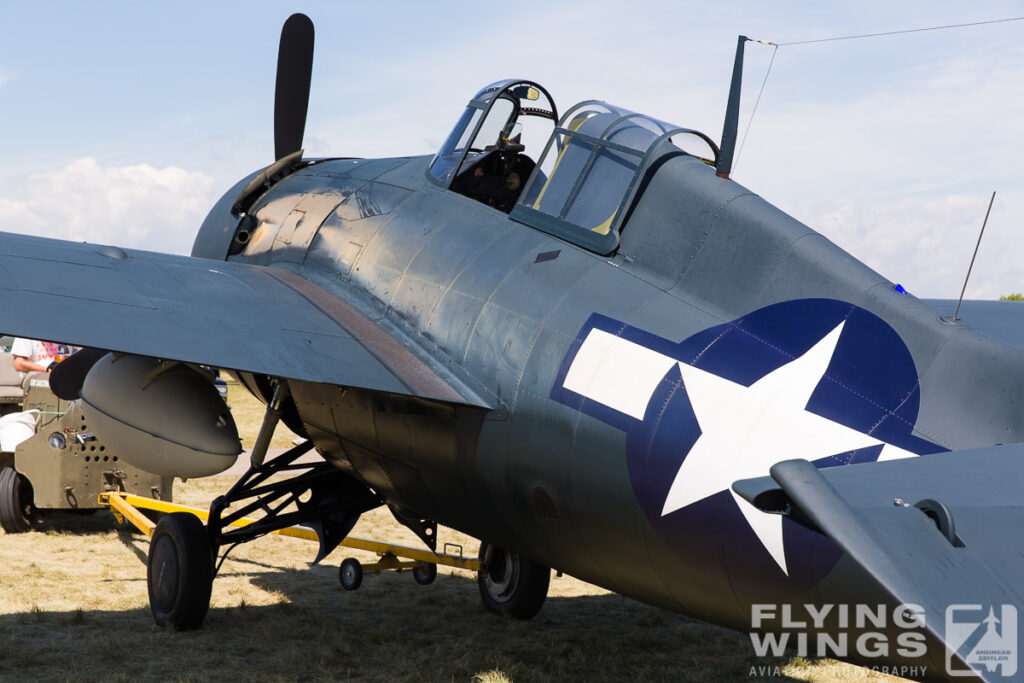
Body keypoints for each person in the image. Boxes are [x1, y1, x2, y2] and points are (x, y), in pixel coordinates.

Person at [10, 338, 77, 378]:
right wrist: (49, 370)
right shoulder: (26, 333)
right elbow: (19, 364)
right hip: (36, 377)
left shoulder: (63, 333)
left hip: (62, 375)